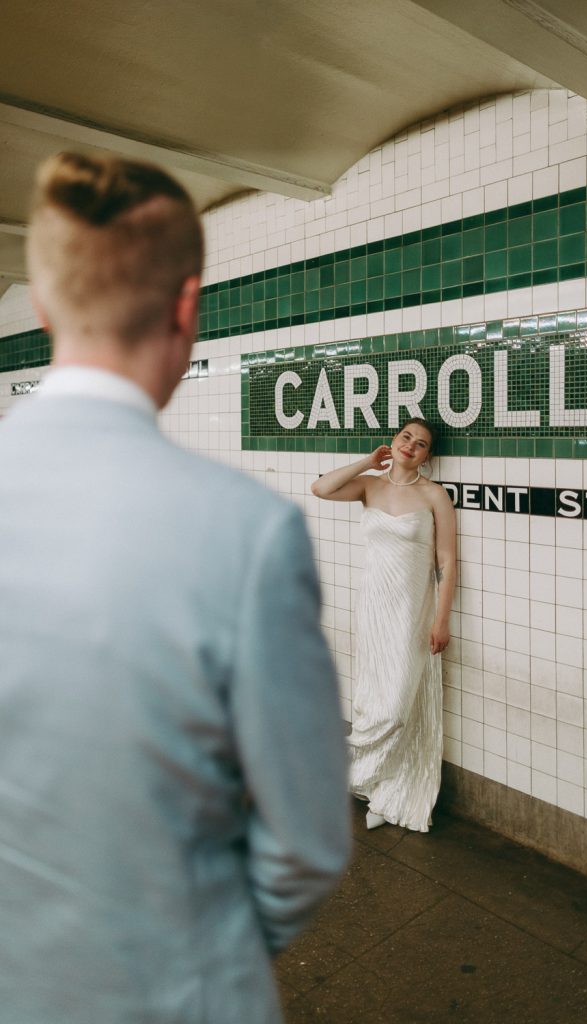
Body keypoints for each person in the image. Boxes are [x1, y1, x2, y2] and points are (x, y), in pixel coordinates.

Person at [0, 152, 350, 1024]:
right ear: (186, 305)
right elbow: (306, 842)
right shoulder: (246, 534)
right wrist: (206, 940)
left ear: (44, 305)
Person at [311, 418, 456, 832]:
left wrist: (441, 619)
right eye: (406, 437)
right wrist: (366, 462)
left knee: (396, 707)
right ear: (393, 441)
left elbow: (446, 561)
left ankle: (356, 776)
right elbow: (321, 489)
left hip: (413, 613)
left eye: (422, 444)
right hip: (373, 608)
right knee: (373, 701)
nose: (411, 446)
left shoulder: (434, 495)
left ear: (429, 455)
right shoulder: (370, 485)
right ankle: (380, 788)